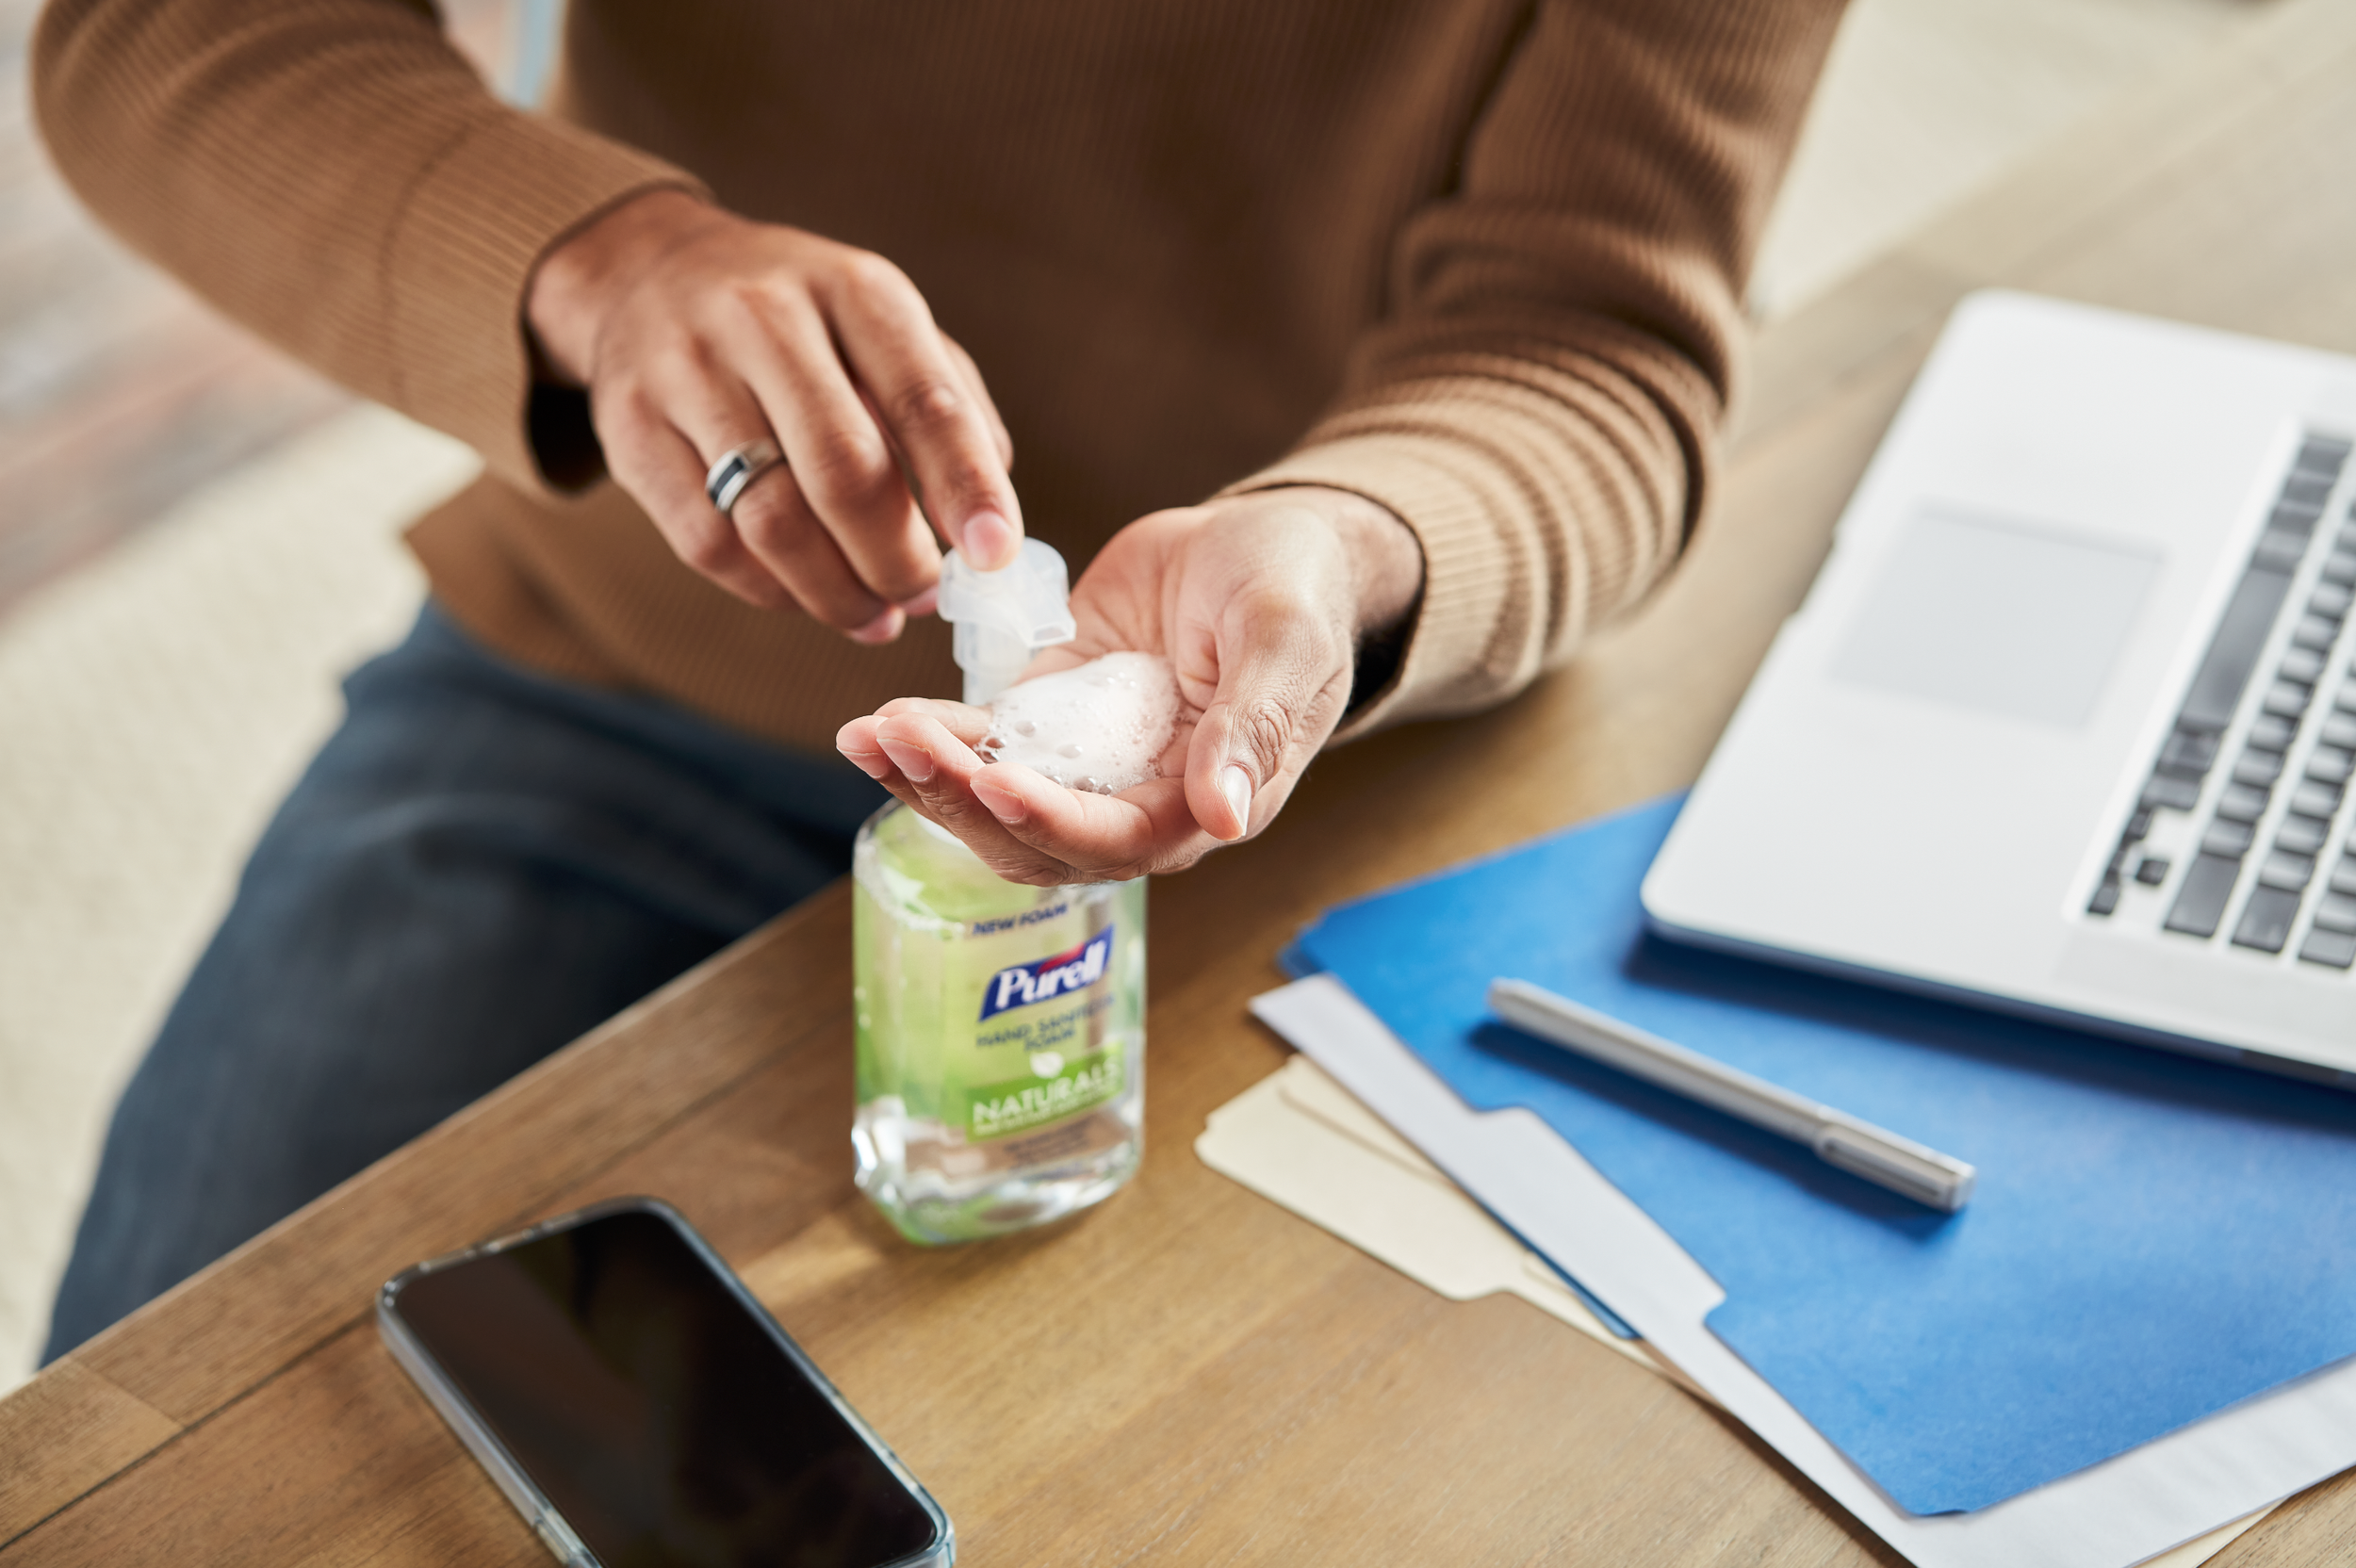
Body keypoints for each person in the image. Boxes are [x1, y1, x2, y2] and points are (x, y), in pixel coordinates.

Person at [32, 0, 1845, 1358]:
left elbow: (1594, 341)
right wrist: (610, 266)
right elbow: (150, 35)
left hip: (1304, 762)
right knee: (181, 1395)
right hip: (634, 671)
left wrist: (1354, 548)